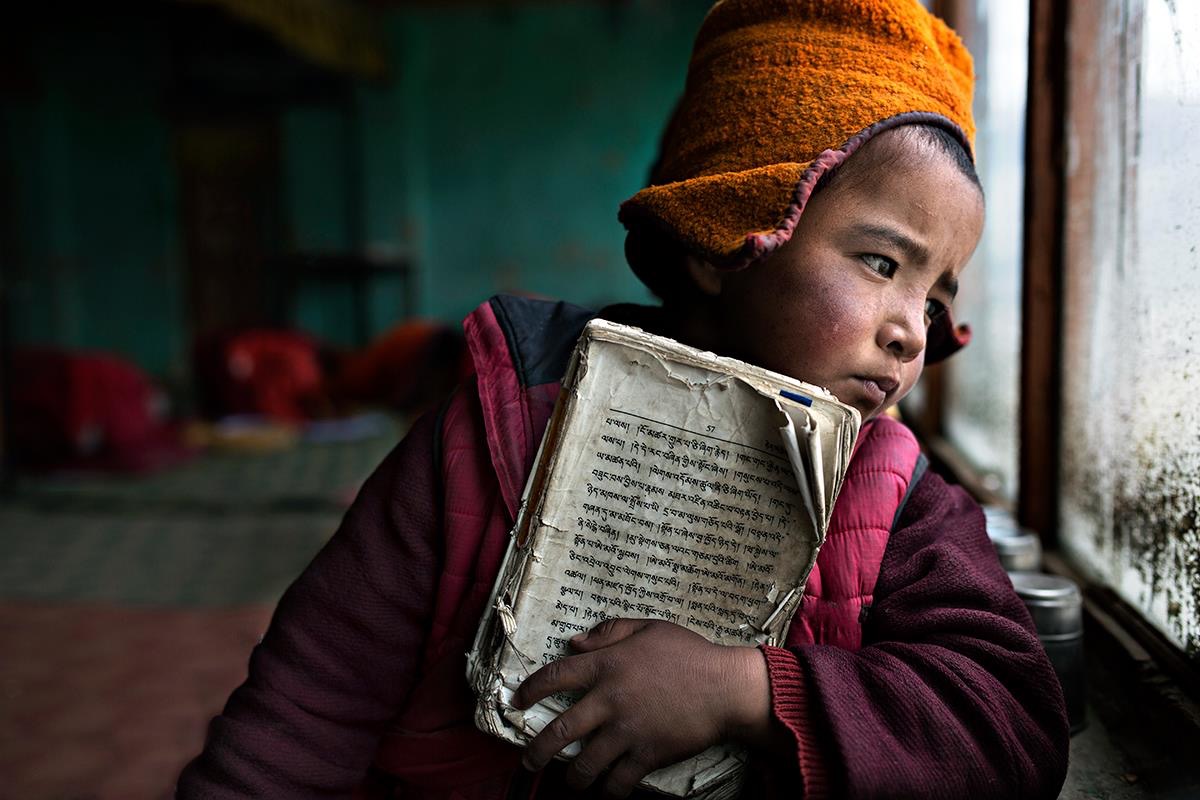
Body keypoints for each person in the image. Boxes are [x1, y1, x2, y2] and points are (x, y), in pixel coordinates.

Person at [177, 1, 1070, 798]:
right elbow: (308, 704)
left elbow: (1013, 729)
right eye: (882, 265)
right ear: (723, 239)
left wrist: (748, 692)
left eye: (936, 297)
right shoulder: (499, 430)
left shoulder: (899, 503)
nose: (913, 329)